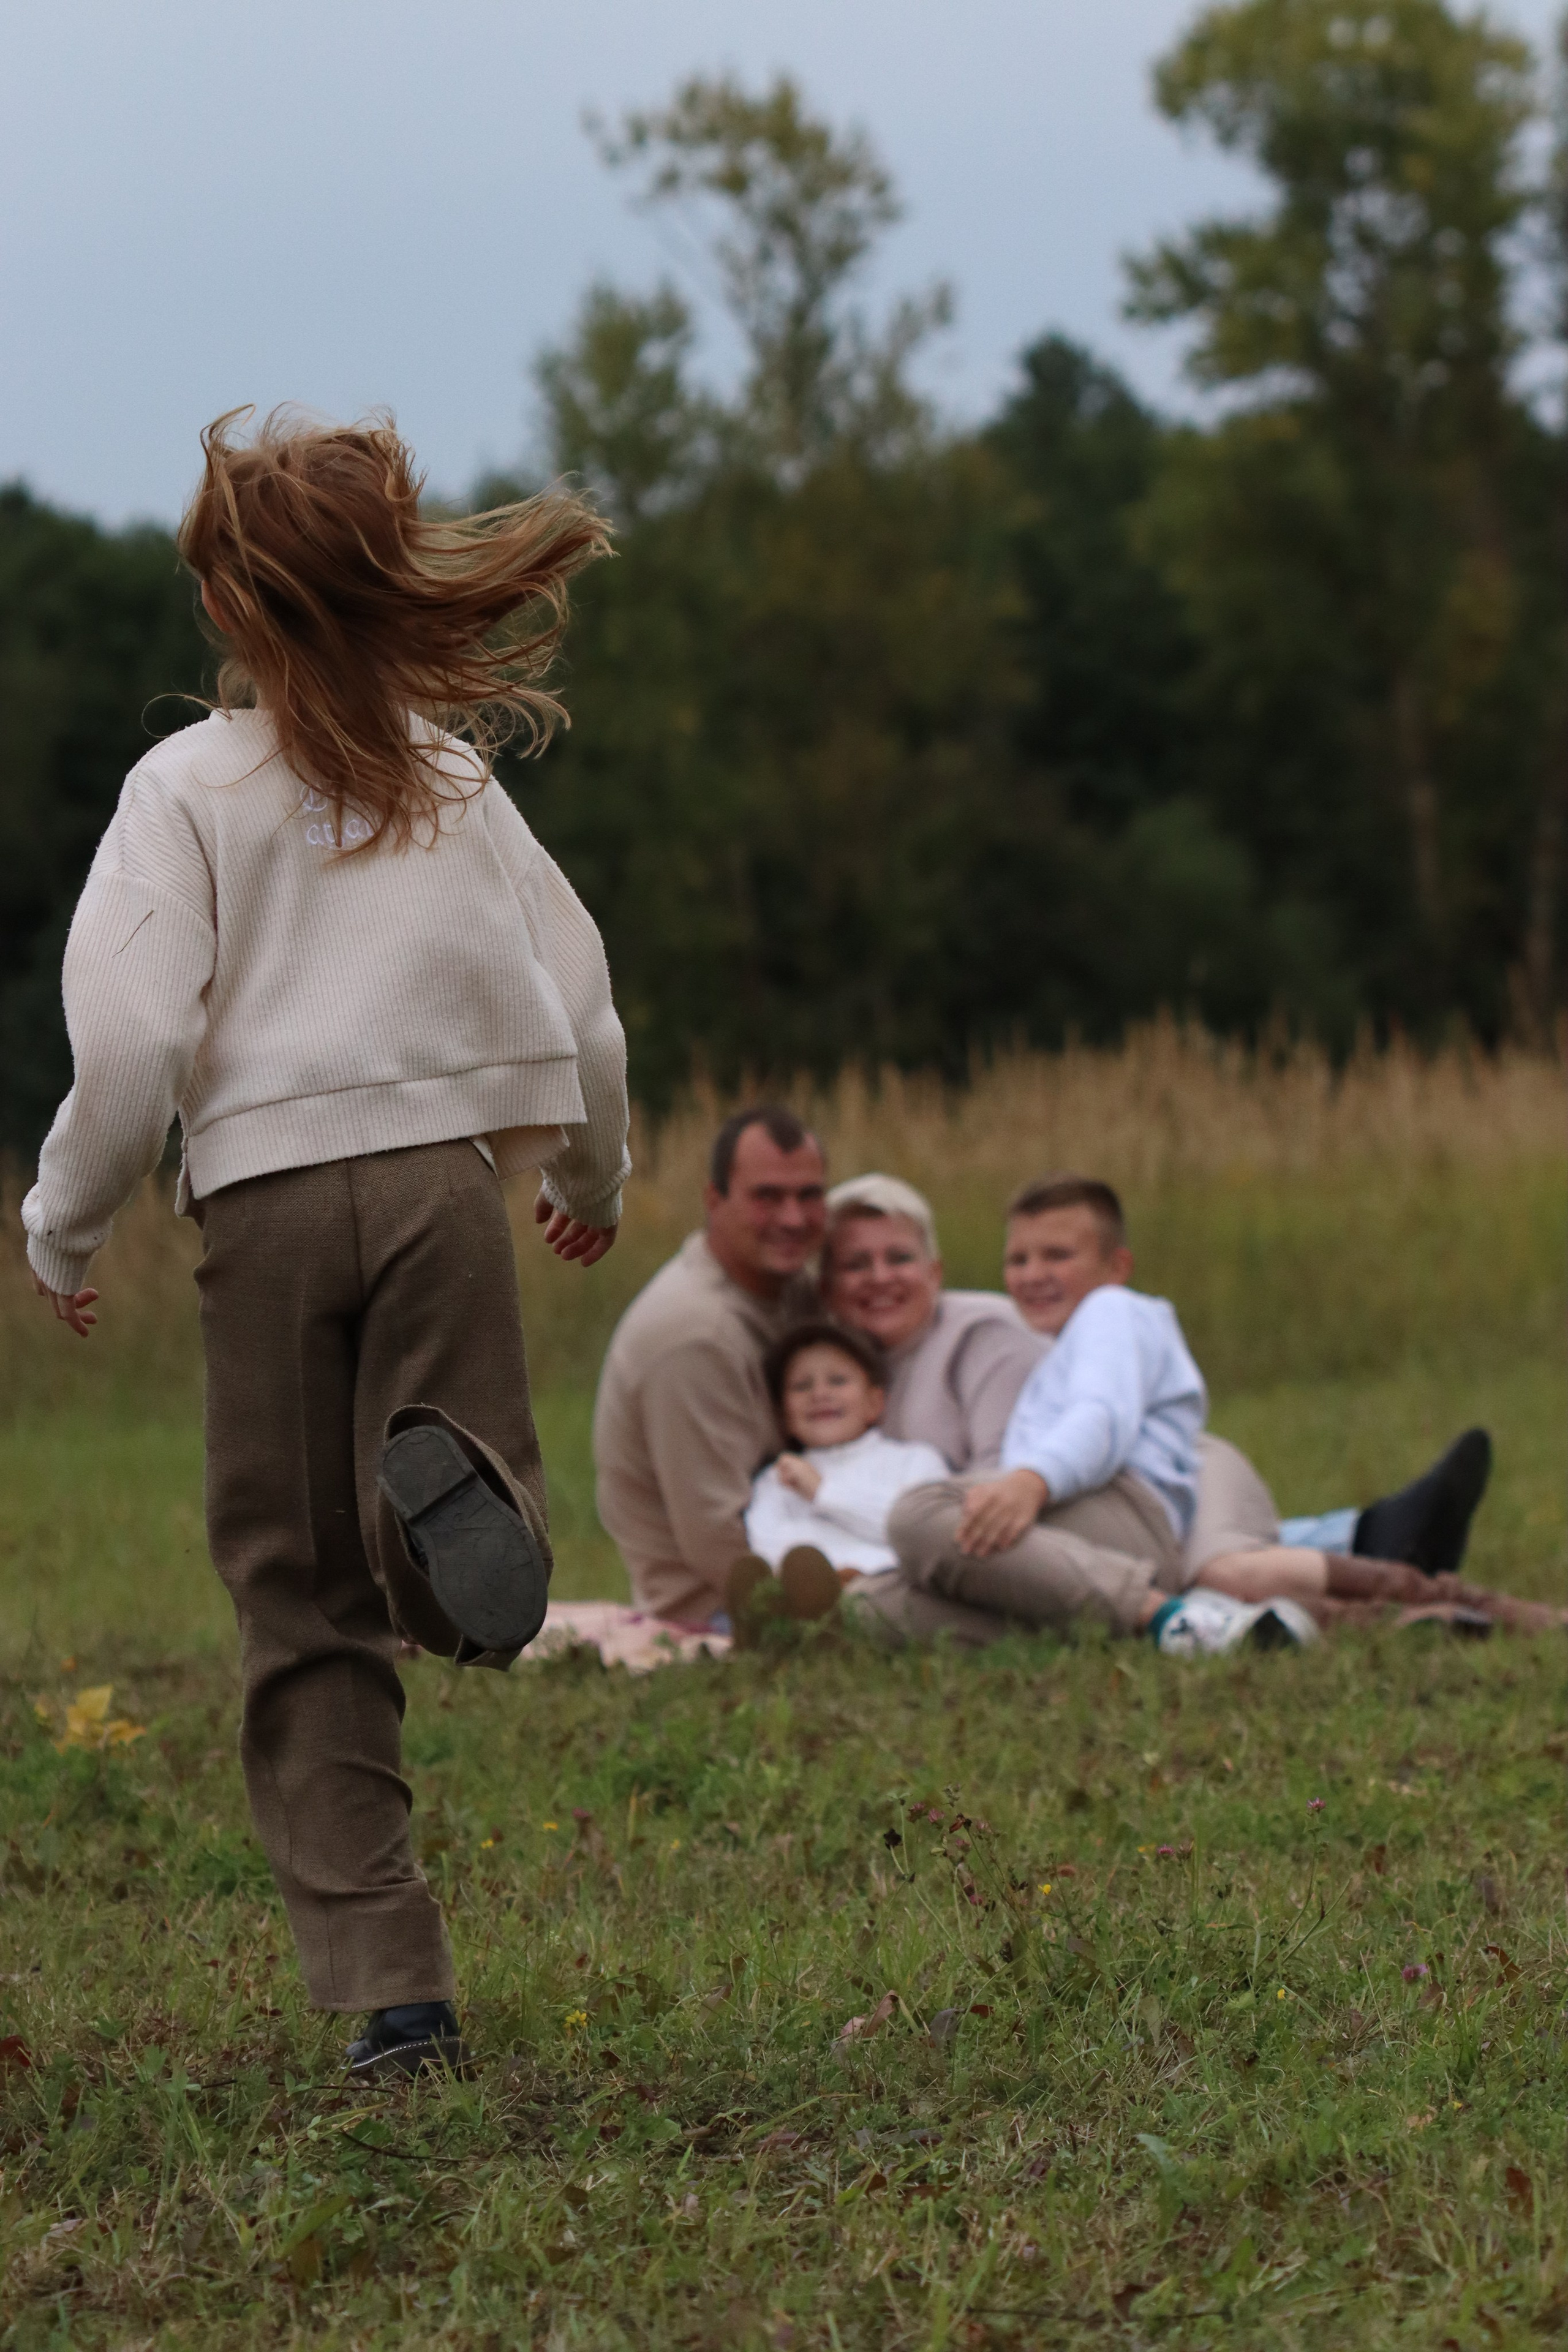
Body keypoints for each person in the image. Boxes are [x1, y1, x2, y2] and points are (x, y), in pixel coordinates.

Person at [24, 409, 630, 2077]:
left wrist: (63, 1222)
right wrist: (594, 1179)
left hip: (267, 1205)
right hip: (445, 1185)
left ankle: (393, 1995)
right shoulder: (453, 776)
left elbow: (133, 1048)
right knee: (434, 1505)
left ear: (227, 607)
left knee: (297, 1599)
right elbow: (581, 1010)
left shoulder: (184, 788)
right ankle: (464, 1537)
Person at [871, 1176, 1563, 1649]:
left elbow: (1101, 1418)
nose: (1032, 1273)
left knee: (920, 1515)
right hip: (1104, 1528)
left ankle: (1175, 1616)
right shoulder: (1066, 1342)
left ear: (1116, 1266)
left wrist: (1031, 1482)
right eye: (1017, 1258)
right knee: (883, 1606)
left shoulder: (1112, 1313)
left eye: (1058, 1253)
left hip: (1127, 1509)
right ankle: (1383, 1622)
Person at [593, 1105, 826, 1624]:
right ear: (714, 1200)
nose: (793, 1219)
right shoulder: (695, 1335)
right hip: (715, 1610)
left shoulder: (786, 1291)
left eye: (809, 1196)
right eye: (768, 1197)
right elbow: (719, 1541)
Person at [731, 1319, 949, 1629]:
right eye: (802, 1386)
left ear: (874, 1402)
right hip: (804, 1597)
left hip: (890, 1590)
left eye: (838, 1381)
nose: (820, 1394)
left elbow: (919, 1535)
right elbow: (769, 1545)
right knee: (775, 1581)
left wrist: (823, 1493)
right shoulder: (776, 1479)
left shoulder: (915, 1461)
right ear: (784, 1417)